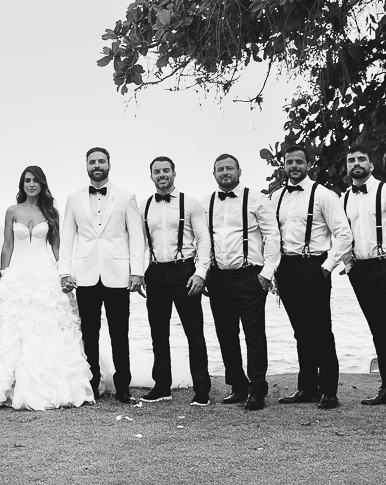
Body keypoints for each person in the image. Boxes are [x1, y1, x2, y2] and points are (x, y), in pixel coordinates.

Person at [0, 166, 94, 410]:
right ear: (21, 184)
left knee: (48, 330)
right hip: (18, 276)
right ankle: (7, 386)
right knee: (13, 331)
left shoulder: (51, 212)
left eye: (35, 180)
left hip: (46, 275)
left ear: (42, 184)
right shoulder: (12, 211)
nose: (31, 184)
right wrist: (3, 279)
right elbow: (7, 247)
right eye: (27, 180)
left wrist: (64, 276)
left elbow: (57, 248)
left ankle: (51, 387)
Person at [59, 147, 146, 403]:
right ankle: (92, 383)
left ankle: (123, 386)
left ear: (109, 164)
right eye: (92, 162)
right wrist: (65, 271)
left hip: (118, 275)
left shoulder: (126, 196)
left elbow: (137, 237)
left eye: (101, 161)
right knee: (90, 333)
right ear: (86, 166)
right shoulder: (73, 199)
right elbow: (67, 237)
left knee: (120, 333)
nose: (97, 165)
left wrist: (137, 272)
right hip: (85, 276)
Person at [272, 142, 351, 410]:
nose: (294, 166)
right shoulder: (276, 197)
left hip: (315, 265)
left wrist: (328, 266)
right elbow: (270, 236)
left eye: (299, 162)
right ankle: (306, 387)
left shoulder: (324, 195)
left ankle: (329, 390)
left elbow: (344, 234)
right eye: (289, 162)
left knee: (320, 330)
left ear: (308, 165)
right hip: (286, 268)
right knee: (300, 332)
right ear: (283, 165)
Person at [204, 153, 280, 410]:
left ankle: (257, 389)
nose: (225, 173)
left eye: (229, 168)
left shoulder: (258, 200)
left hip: (250, 276)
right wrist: (202, 272)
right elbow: (201, 242)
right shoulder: (206, 203)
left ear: (239, 171)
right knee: (225, 334)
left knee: (254, 335)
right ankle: (237, 385)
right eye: (220, 169)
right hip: (218, 277)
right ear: (214, 174)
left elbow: (272, 237)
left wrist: (266, 274)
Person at [342, 144, 386, 413]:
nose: (356, 163)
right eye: (351, 160)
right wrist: (348, 265)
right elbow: (340, 234)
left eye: (361, 158)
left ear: (371, 165)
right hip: (359, 270)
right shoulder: (344, 197)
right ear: (348, 167)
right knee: (377, 331)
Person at [137, 156, 211, 405]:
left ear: (174, 173)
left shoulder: (190, 203)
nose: (161, 175)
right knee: (158, 332)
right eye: (156, 171)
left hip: (185, 271)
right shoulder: (145, 206)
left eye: (166, 170)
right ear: (151, 176)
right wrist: (138, 272)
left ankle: (202, 389)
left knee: (194, 332)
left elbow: (203, 238)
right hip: (156, 272)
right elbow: (141, 244)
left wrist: (201, 272)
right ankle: (161, 386)